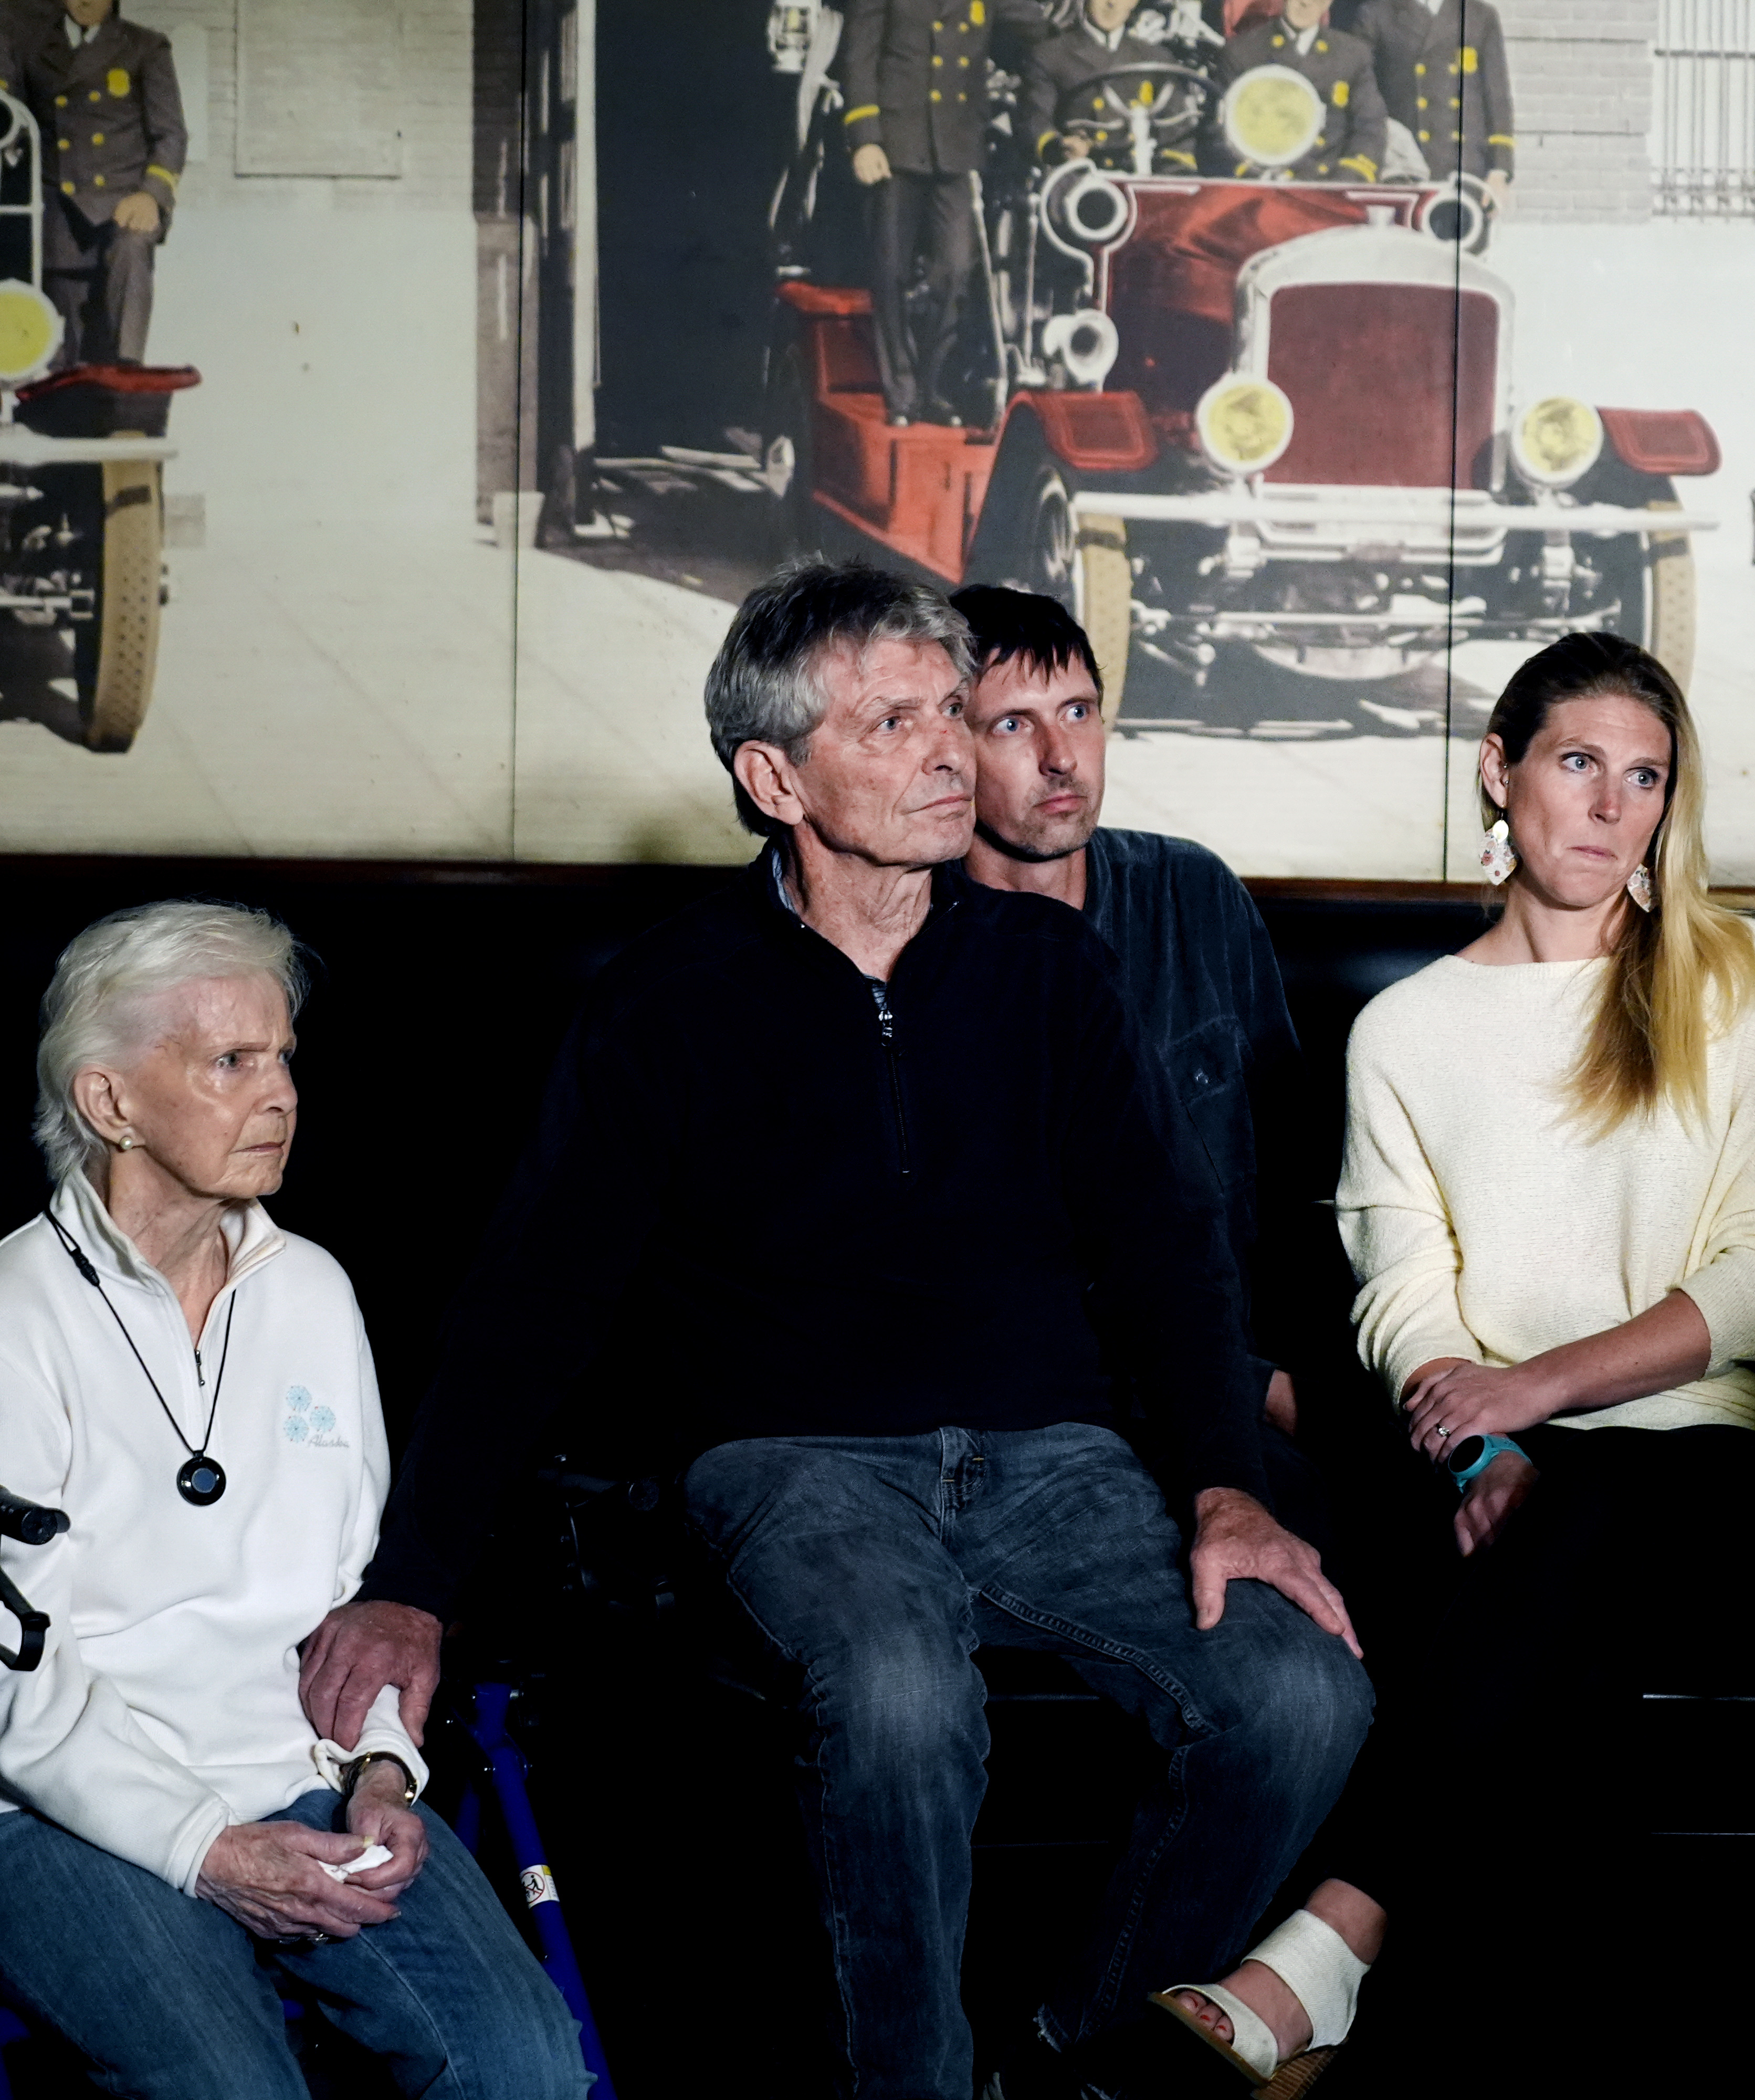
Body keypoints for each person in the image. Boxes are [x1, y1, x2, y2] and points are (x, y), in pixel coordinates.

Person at [292, 563, 1373, 2100]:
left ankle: (1087, 2060)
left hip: (1057, 1458)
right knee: (899, 1687)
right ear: (775, 774)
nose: (952, 751)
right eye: (893, 720)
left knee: (1300, 1686)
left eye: (949, 710)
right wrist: (411, 1586)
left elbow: (1166, 1258)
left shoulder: (1051, 974)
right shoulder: (665, 1004)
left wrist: (1223, 1485)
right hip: (790, 1464)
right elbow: (528, 1307)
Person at [1108, 632, 1755, 2093]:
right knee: (1538, 1576)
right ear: (1498, 774)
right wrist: (1484, 1442)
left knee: (1579, 1512)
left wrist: (1538, 1398)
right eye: (1579, 763)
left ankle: (1327, 1949)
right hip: (1496, 1483)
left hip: (1731, 1468)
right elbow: (1405, 1312)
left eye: (1648, 779)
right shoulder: (1406, 1030)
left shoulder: (1748, 977)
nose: (1612, 808)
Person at [0, 901, 586, 2099]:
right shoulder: (15, 1316)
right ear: (109, 1102)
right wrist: (202, 1847)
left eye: (283, 1057)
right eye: (231, 1061)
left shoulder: (312, 1292)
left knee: (522, 2065)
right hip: (56, 1804)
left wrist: (382, 1772)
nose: (280, 1093)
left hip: (300, 1778)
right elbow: (15, 1682)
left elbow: (350, 1603)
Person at [952, 582, 1310, 1446]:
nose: (1061, 756)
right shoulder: (914, 946)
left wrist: (1300, 1384)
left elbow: (1295, 1181)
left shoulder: (1192, 894)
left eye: (1077, 711)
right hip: (1038, 1410)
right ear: (946, 752)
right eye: (1012, 725)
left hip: (1233, 1400)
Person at [838, 0, 993, 424]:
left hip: (956, 146)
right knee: (892, 271)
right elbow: (860, 54)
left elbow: (1035, 27)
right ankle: (902, 393)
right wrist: (865, 136)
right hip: (896, 141)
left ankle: (933, 386)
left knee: (957, 269)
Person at [25, 0, 185, 368]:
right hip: (59, 213)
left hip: (122, 204)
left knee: (132, 253)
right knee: (64, 354)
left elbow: (171, 135)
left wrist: (151, 195)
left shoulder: (145, 46)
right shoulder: (33, 47)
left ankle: (128, 387)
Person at [1347, 0, 1512, 204]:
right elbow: (1360, 94)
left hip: (1467, 171)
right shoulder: (1376, 14)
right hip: (1405, 169)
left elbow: (1497, 96)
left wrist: (1499, 171)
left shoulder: (1481, 15)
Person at [1024, 0, 1204, 172]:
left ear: (1134, 3)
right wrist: (1061, 147)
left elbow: (1177, 135)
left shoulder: (1157, 59)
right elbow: (1037, 122)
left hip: (1145, 176)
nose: (1111, 3)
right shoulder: (1051, 56)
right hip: (1080, 178)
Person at [1214, 0, 1384, 181]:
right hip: (1262, 186)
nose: (1305, 3)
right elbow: (1217, 130)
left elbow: (1369, 127)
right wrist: (1254, 175)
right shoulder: (1243, 52)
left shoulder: (1352, 56)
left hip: (1327, 186)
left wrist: (1342, 183)